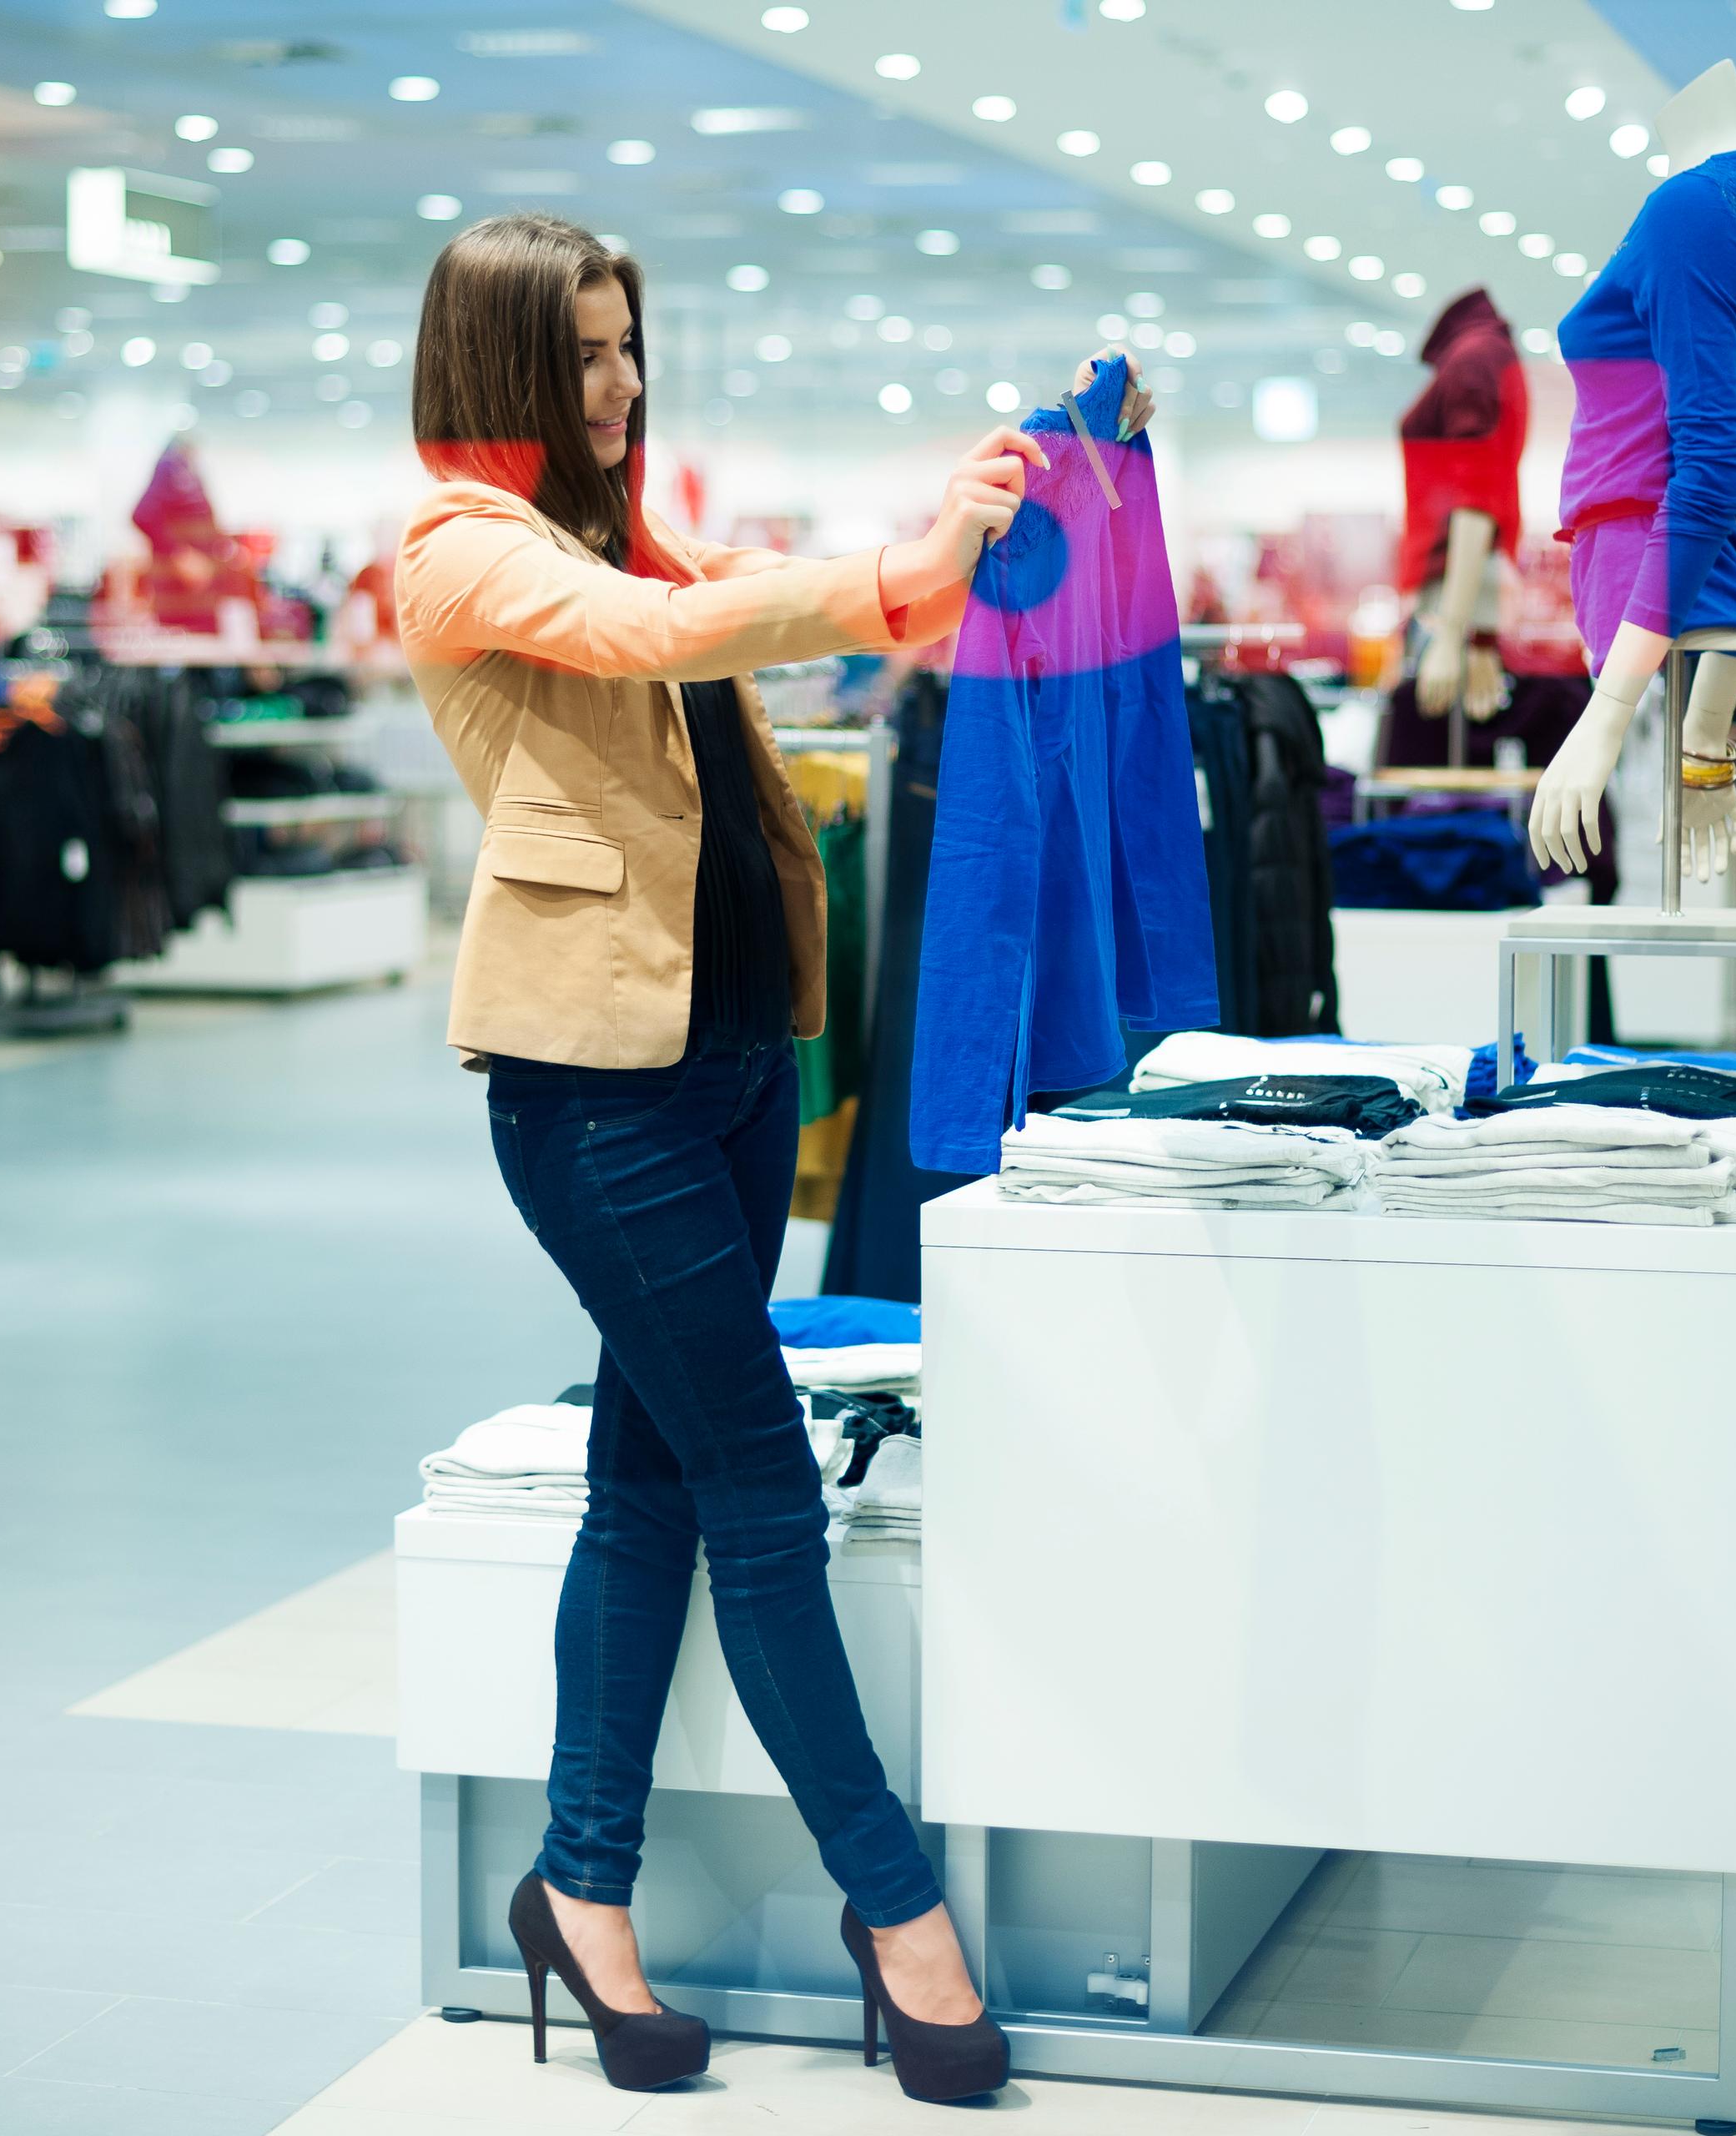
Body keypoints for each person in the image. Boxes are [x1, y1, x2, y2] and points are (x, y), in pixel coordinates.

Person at [395, 210, 1148, 2104]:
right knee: (760, 1485)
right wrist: (894, 568)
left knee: (649, 1489)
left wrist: (952, 523)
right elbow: (663, 632)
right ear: (496, 363)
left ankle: (580, 1887)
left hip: (728, 1058)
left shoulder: (631, 532)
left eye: (631, 344)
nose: (621, 381)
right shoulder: (466, 549)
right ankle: (897, 1915)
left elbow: (729, 589)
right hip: (591, 1093)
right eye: (581, 353)